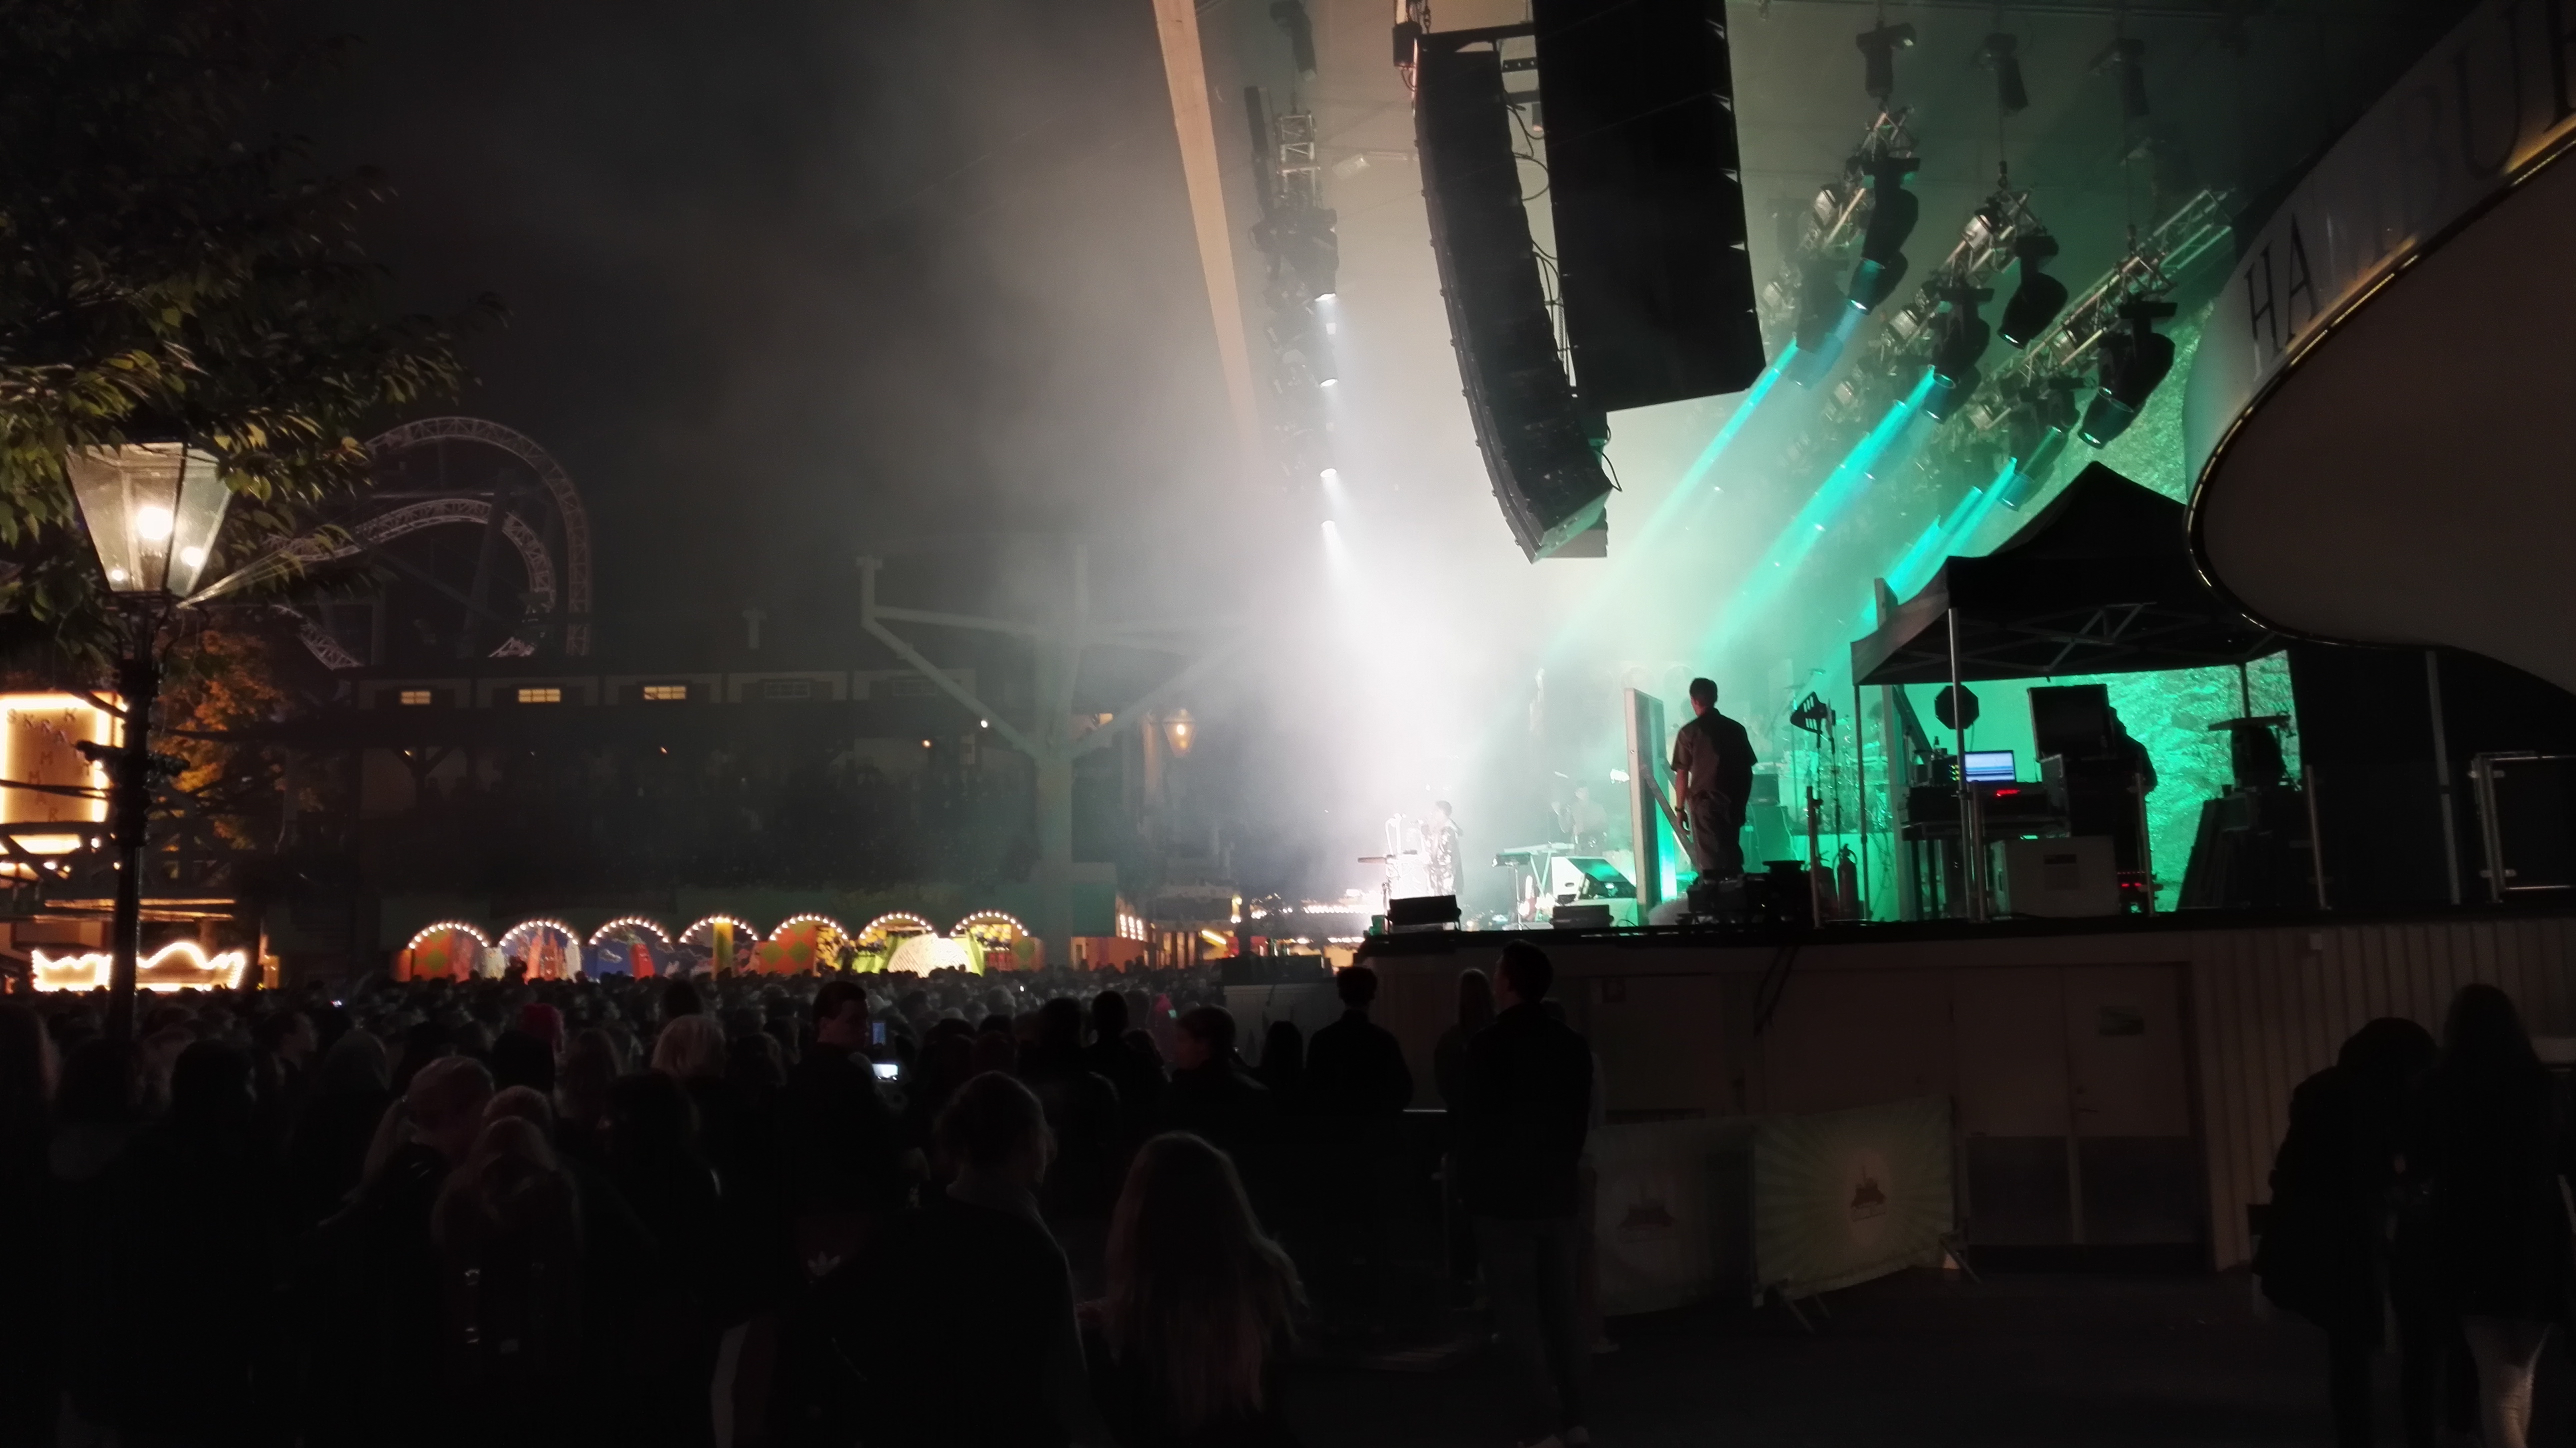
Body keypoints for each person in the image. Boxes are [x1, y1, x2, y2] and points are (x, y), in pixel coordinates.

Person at [786, 1072, 1111, 1446]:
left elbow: (824, 1311)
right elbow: (1065, 1387)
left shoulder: (909, 1231)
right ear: (1028, 1142)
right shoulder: (1033, 1250)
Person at [2405, 984, 2574, 1448]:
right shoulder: (2544, 1089)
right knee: (2520, 1377)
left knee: (2497, 1381)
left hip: (2469, 1244)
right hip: (2539, 1243)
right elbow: (2569, 1158)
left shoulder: (2439, 1092)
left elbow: (2419, 1164)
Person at [2256, 1017, 2436, 1448]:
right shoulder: (2398, 1100)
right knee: (2419, 1344)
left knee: (2348, 1351)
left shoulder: (2320, 1093)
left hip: (2333, 1238)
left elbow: (2292, 1169)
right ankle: (2421, 1433)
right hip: (2382, 1232)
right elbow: (2396, 1167)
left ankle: (2356, 1438)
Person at [1458, 942, 1596, 1448]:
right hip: (1557, 1195)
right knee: (1564, 1313)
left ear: (1509, 981)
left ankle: (1540, 1428)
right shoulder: (1571, 1046)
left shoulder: (1486, 1046)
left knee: (1518, 1320)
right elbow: (1577, 1121)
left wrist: (1471, 1190)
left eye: (1499, 970)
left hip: (1503, 1203)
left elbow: (1472, 1126)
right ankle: (1576, 1419)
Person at [1086, 1132, 1304, 1448]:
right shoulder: (1267, 1280)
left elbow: (1139, 1423)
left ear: (1141, 1210)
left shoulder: (1147, 1303)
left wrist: (1100, 1338)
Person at [1670, 676, 1754, 880]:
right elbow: (1747, 772)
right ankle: (1738, 894)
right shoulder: (1736, 729)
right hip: (1733, 803)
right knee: (1731, 857)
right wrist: (1741, 803)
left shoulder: (1689, 733)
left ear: (1693, 701)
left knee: (1711, 864)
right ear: (1716, 698)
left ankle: (1716, 897)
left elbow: (1682, 775)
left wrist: (1680, 810)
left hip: (1704, 805)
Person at [1304, 966, 1412, 1118]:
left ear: (1341, 994)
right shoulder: (1384, 1041)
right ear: (1372, 995)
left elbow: (1313, 1089)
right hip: (1375, 1126)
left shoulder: (1322, 1040)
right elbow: (1403, 1090)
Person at [1434, 968, 1496, 1110]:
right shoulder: (1502, 1034)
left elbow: (1444, 1084)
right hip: (1496, 1113)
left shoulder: (1450, 1039)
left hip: (1462, 1114)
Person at [1424, 800, 1462, 896]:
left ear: (1442, 812)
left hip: (1445, 873)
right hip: (1437, 870)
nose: (1433, 813)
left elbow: (1451, 854)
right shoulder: (1437, 827)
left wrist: (1443, 869)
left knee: (1445, 898)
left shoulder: (1449, 830)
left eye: (1436, 811)